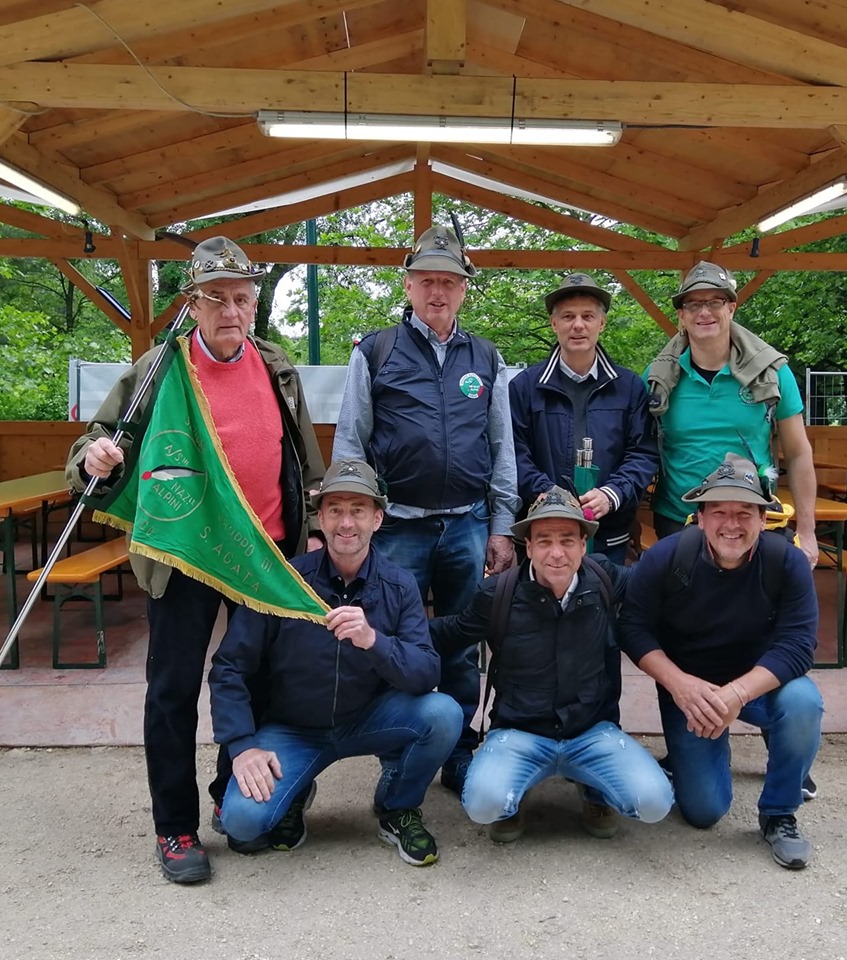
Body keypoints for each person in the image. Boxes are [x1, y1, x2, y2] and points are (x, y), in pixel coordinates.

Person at [65, 237, 326, 884]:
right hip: (184, 555)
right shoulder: (160, 367)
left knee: (264, 683)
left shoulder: (277, 365)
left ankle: (232, 796)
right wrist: (94, 459)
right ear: (193, 303)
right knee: (173, 690)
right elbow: (98, 443)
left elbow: (305, 457)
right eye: (217, 298)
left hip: (264, 552)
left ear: (255, 302)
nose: (231, 311)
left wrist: (316, 528)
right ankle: (175, 827)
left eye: (242, 298)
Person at [332, 224, 521, 795]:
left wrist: (502, 526)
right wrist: (353, 522)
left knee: (463, 644)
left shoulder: (486, 356)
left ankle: (459, 750)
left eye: (449, 282)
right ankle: (400, 752)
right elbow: (350, 442)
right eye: (427, 281)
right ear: (408, 286)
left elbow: (502, 446)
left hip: (467, 524)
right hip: (397, 529)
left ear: (463, 289)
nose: (438, 292)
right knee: (392, 644)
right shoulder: (376, 350)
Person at [209, 459, 461, 867]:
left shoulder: (399, 585)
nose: (346, 523)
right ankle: (296, 787)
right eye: (336, 510)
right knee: (241, 822)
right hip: (293, 728)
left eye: (358, 510)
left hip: (368, 720)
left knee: (443, 713)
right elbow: (229, 666)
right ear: (321, 518)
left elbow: (426, 670)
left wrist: (374, 641)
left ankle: (397, 807)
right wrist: (241, 746)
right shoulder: (283, 582)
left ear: (377, 519)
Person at [429, 486, 674, 843]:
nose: (556, 553)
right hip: (520, 733)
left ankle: (593, 790)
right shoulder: (497, 594)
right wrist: (378, 634)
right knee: (484, 805)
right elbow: (448, 632)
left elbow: (659, 583)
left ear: (583, 545)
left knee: (654, 803)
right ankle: (513, 797)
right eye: (544, 541)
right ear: (528, 547)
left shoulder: (604, 579)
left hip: (591, 732)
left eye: (567, 540)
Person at [619, 453, 823, 869]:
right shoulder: (666, 558)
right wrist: (679, 685)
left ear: (763, 519)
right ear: (700, 517)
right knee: (704, 811)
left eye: (745, 512)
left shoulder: (787, 562)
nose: (732, 524)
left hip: (758, 685)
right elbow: (633, 629)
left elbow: (799, 645)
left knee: (803, 701)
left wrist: (736, 694)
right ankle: (702, 754)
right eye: (720, 512)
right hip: (690, 691)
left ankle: (780, 812)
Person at [645, 260, 818, 569]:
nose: (704, 312)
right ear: (681, 315)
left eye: (715, 302)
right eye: (693, 304)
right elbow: (637, 450)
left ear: (731, 308)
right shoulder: (657, 377)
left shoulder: (773, 373)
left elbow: (798, 452)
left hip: (751, 521)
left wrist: (807, 531)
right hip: (678, 520)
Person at [509, 273, 659, 563]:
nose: (578, 325)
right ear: (554, 324)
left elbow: (643, 452)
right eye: (568, 316)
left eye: (588, 316)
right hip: (544, 533)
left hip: (608, 536)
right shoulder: (524, 387)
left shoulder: (629, 387)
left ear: (602, 323)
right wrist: (549, 494)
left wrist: (612, 494)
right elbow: (513, 453)